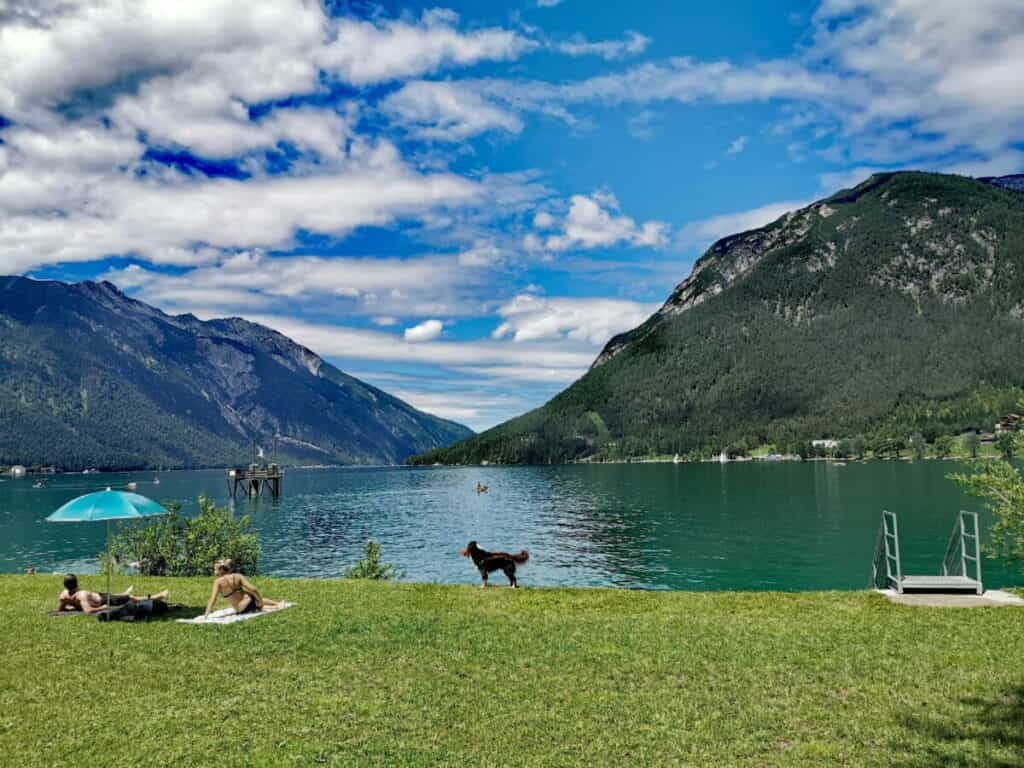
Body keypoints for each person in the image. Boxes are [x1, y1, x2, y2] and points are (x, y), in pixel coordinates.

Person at [204, 559, 286, 617]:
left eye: (215, 569)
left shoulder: (218, 582)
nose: (214, 571)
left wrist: (206, 615)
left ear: (221, 570)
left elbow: (213, 599)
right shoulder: (238, 576)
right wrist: (260, 600)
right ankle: (276, 604)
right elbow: (253, 589)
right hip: (250, 600)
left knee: (256, 604)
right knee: (256, 600)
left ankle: (275, 605)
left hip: (241, 609)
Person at [57, 574, 169, 615]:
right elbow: (88, 611)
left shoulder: (63, 596)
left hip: (102, 596)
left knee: (115, 595)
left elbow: (61, 609)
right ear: (77, 584)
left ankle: (124, 593)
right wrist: (102, 608)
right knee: (130, 598)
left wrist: (74, 606)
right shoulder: (82, 595)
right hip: (103, 600)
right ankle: (156, 596)